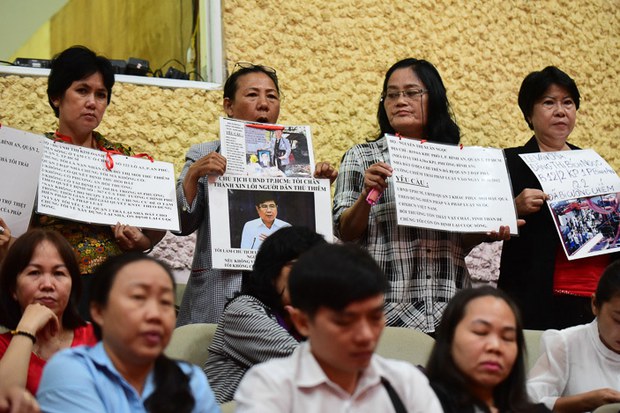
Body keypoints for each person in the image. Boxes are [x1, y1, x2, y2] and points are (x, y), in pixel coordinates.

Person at [333, 58, 511, 333]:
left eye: (411, 92)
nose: (400, 101)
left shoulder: (458, 160)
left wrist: (487, 229)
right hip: (386, 311)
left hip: (450, 312)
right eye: (392, 94)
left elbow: (459, 242)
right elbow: (344, 231)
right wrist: (366, 196)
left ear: (434, 98)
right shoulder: (362, 157)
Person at [0, 46, 165, 317]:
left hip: (116, 283)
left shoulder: (122, 157)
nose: (92, 102)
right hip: (56, 283)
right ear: (56, 97)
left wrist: (141, 241)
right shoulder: (33, 153)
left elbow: (156, 224)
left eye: (101, 95)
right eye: (82, 90)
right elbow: (18, 235)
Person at [175, 62, 337, 325]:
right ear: (228, 106)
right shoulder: (203, 154)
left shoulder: (296, 161)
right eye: (252, 95)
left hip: (277, 295)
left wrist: (317, 190)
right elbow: (181, 225)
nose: (263, 104)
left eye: (272, 96)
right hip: (219, 290)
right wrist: (193, 175)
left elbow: (308, 243)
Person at [235, 243, 443, 412]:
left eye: (375, 317)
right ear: (303, 322)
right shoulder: (270, 387)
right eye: (344, 321)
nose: (365, 335)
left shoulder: (405, 383)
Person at [498, 66, 618, 330]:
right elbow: (483, 222)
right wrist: (514, 207)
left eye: (568, 102)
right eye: (548, 102)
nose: (561, 111)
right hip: (533, 295)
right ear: (529, 114)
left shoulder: (594, 163)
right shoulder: (509, 162)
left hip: (592, 296)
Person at [36, 253, 219, 413]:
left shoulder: (190, 379)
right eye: (138, 297)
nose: (155, 315)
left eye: (165, 302)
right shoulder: (71, 370)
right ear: (99, 311)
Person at [205, 226, 325, 403]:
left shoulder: (311, 320)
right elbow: (303, 363)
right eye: (298, 266)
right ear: (272, 271)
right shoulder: (242, 310)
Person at [0, 230, 96, 394]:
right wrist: (26, 330)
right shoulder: (3, 346)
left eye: (58, 273)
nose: (47, 285)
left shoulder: (98, 338)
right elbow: (6, 401)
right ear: (13, 289)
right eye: (34, 272)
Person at [426, 286, 550, 413]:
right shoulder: (424, 403)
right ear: (449, 338)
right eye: (481, 332)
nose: (495, 346)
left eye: (507, 337)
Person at [527, 260, 620, 412]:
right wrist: (584, 402)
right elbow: (526, 404)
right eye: (618, 320)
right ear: (595, 304)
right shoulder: (567, 344)